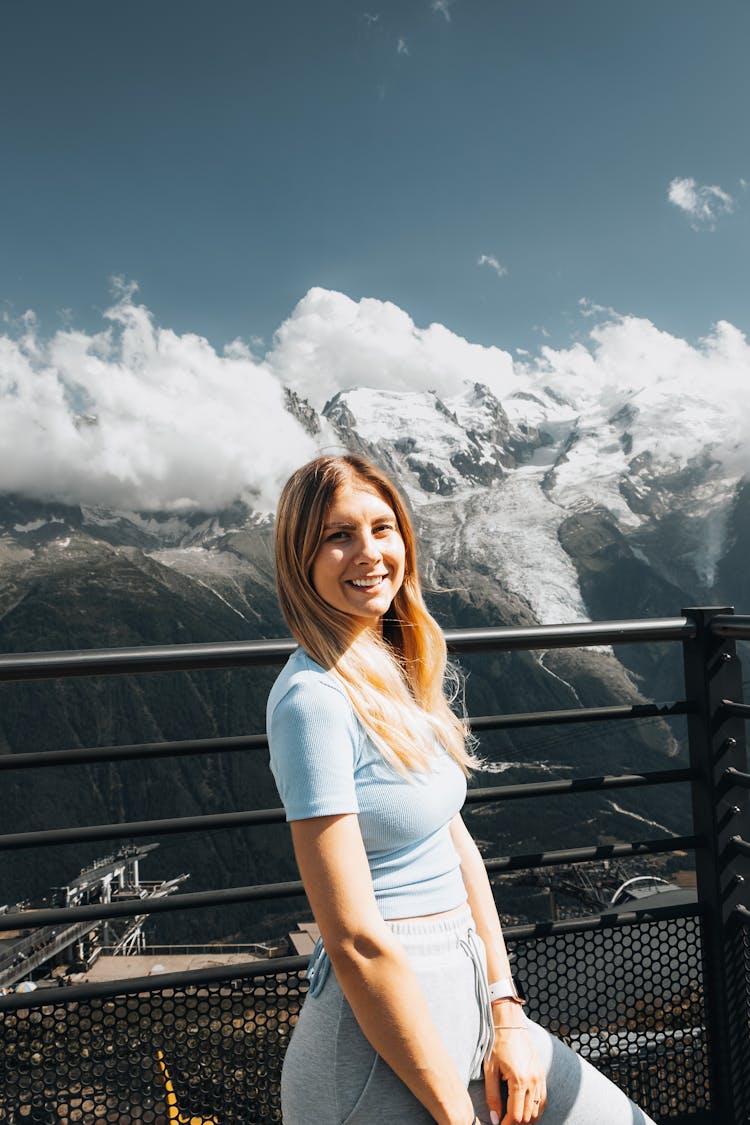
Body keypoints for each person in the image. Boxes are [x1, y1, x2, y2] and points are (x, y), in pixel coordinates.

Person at [267, 453, 656, 1125]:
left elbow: (459, 848)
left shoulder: (395, 668)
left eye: (382, 527)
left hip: (470, 1002)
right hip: (369, 1060)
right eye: (338, 534)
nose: (369, 551)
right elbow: (357, 939)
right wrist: (453, 1111)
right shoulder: (311, 700)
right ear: (301, 557)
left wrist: (506, 1012)